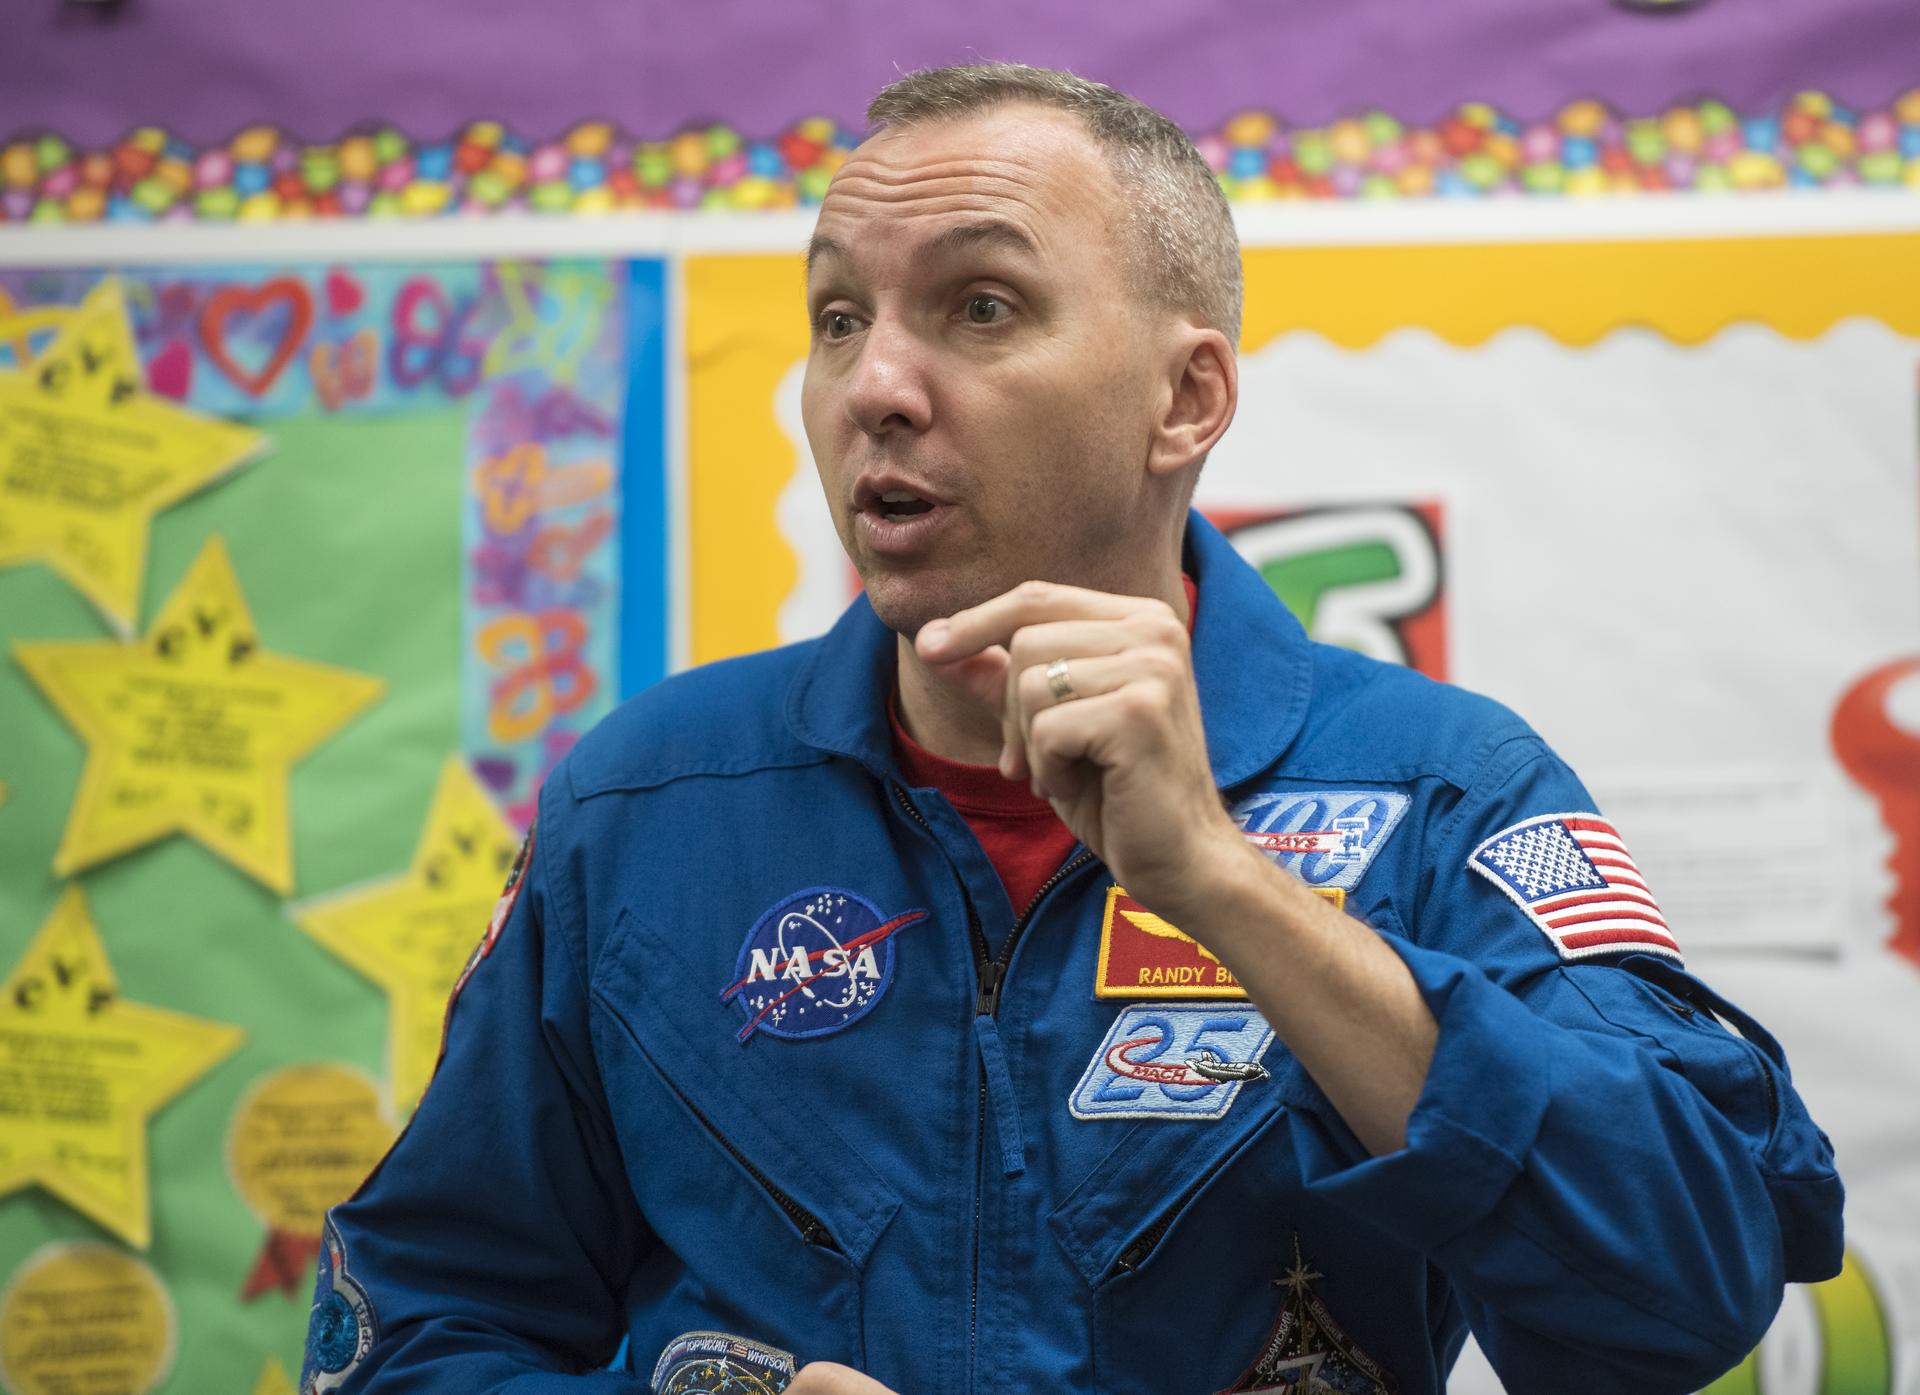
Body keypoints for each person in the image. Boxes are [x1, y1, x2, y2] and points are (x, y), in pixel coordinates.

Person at [302, 63, 1843, 1395]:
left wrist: (1234, 890)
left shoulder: (1443, 787)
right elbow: (414, 1326)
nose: (876, 387)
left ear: (1185, 400)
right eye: (838, 317)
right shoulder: (646, 803)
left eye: (981, 306)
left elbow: (1680, 1302)